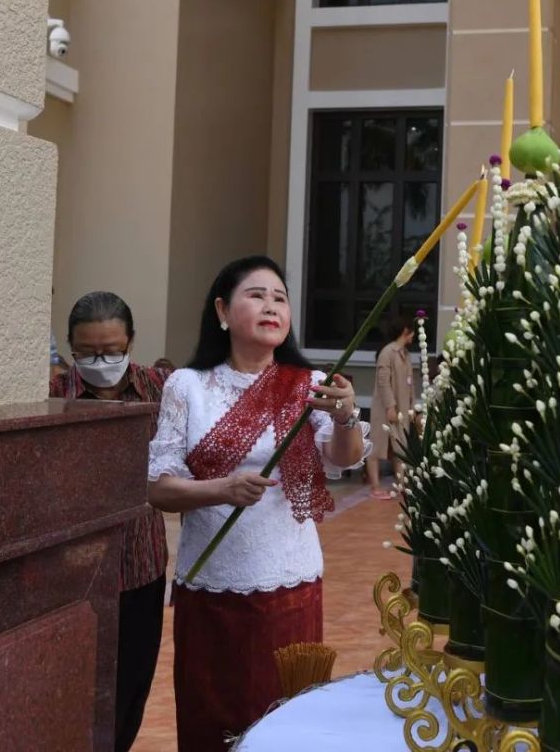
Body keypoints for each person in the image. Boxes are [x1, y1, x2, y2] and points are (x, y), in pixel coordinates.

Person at [147, 255, 370, 751]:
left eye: (280, 297)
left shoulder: (307, 385)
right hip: (211, 588)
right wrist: (222, 489)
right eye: (257, 294)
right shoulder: (187, 386)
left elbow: (342, 458)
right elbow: (159, 487)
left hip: (290, 585)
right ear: (223, 311)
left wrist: (348, 415)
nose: (271, 305)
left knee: (285, 719)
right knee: (213, 715)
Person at [49, 291, 169, 752]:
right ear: (71, 348)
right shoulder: (55, 396)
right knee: (73, 692)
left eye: (112, 351)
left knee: (131, 689)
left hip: (140, 568)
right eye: (88, 353)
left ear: (131, 342)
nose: (101, 361)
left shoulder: (160, 389)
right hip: (71, 575)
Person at [368, 315, 416, 500]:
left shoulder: (405, 353)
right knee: (377, 446)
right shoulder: (387, 352)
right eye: (411, 332)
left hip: (402, 408)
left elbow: (410, 383)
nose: (413, 336)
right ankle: (375, 487)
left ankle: (402, 485)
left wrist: (411, 407)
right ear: (405, 331)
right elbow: (383, 382)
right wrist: (390, 406)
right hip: (385, 408)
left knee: (400, 447)